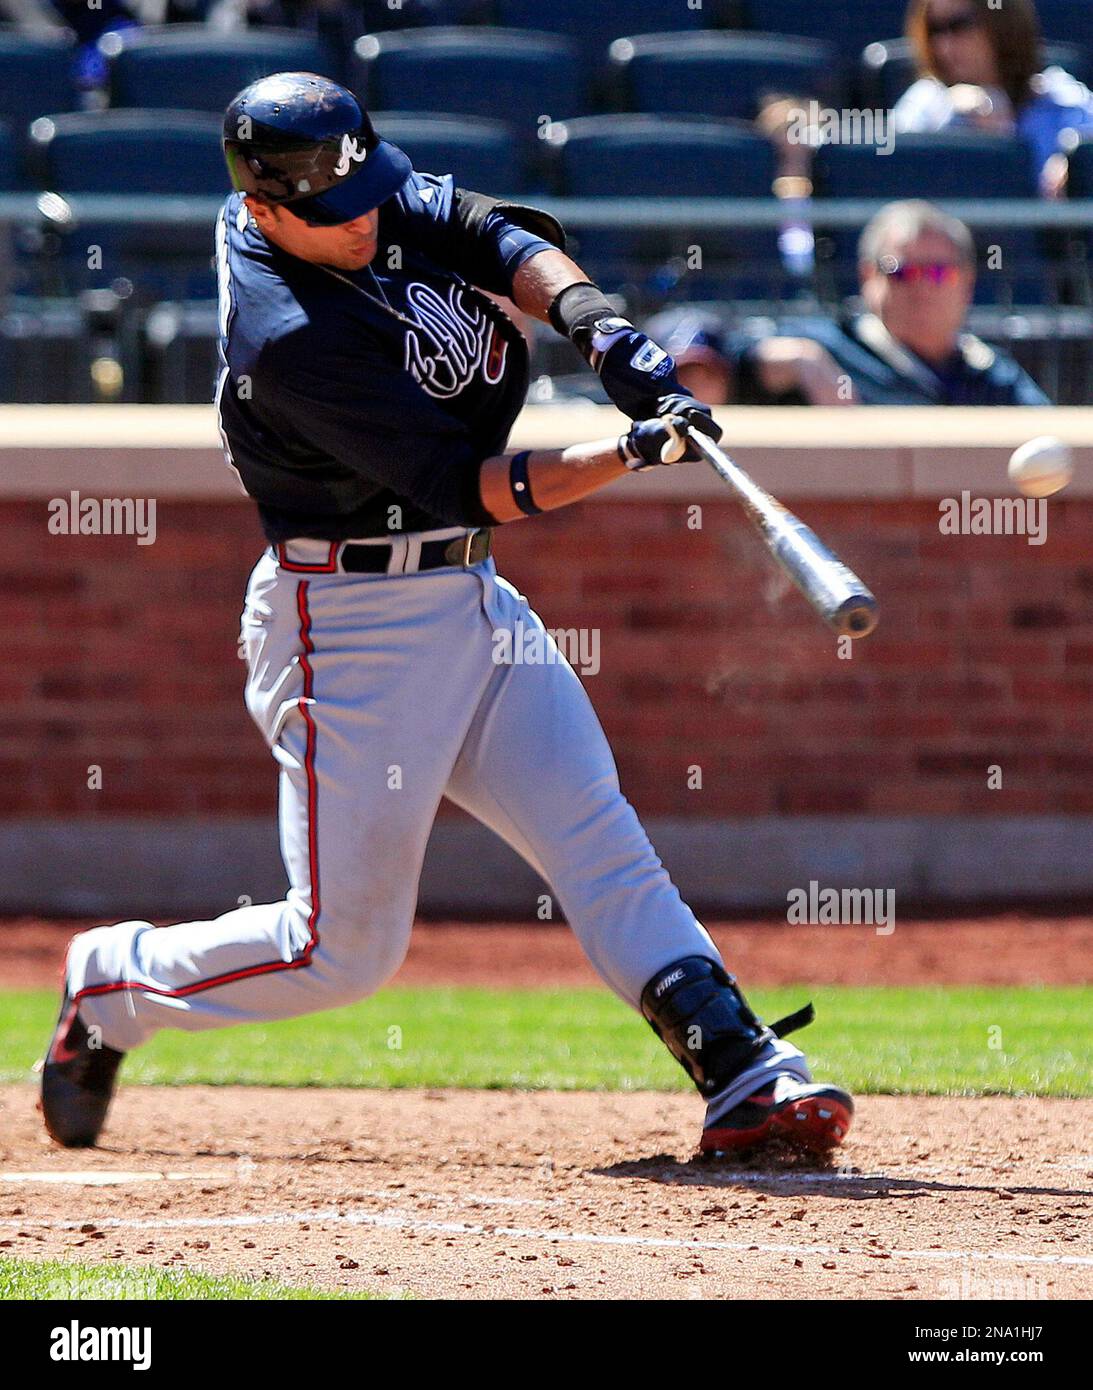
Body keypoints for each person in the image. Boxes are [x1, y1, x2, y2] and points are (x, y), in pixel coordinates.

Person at [38, 73, 853, 1160]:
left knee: (596, 834)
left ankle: (741, 1069)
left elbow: (486, 230)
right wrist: (628, 449)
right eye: (334, 212)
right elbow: (469, 483)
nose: (366, 217)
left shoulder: (349, 190)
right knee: (343, 952)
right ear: (266, 209)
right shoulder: (285, 339)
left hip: (469, 598)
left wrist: (597, 326)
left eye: (367, 190)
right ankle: (112, 984)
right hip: (348, 624)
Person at [733, 201, 1051, 406]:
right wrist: (793, 360)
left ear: (967, 283)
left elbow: (1051, 437)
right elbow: (713, 354)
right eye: (904, 272)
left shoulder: (989, 373)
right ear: (868, 275)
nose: (923, 286)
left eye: (939, 272)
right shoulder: (833, 347)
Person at [895, 0, 1093, 196]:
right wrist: (951, 117)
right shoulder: (925, 102)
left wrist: (1075, 169)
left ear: (1004, 22)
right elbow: (896, 178)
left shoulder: (1062, 99)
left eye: (960, 24)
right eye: (935, 30)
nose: (944, 45)